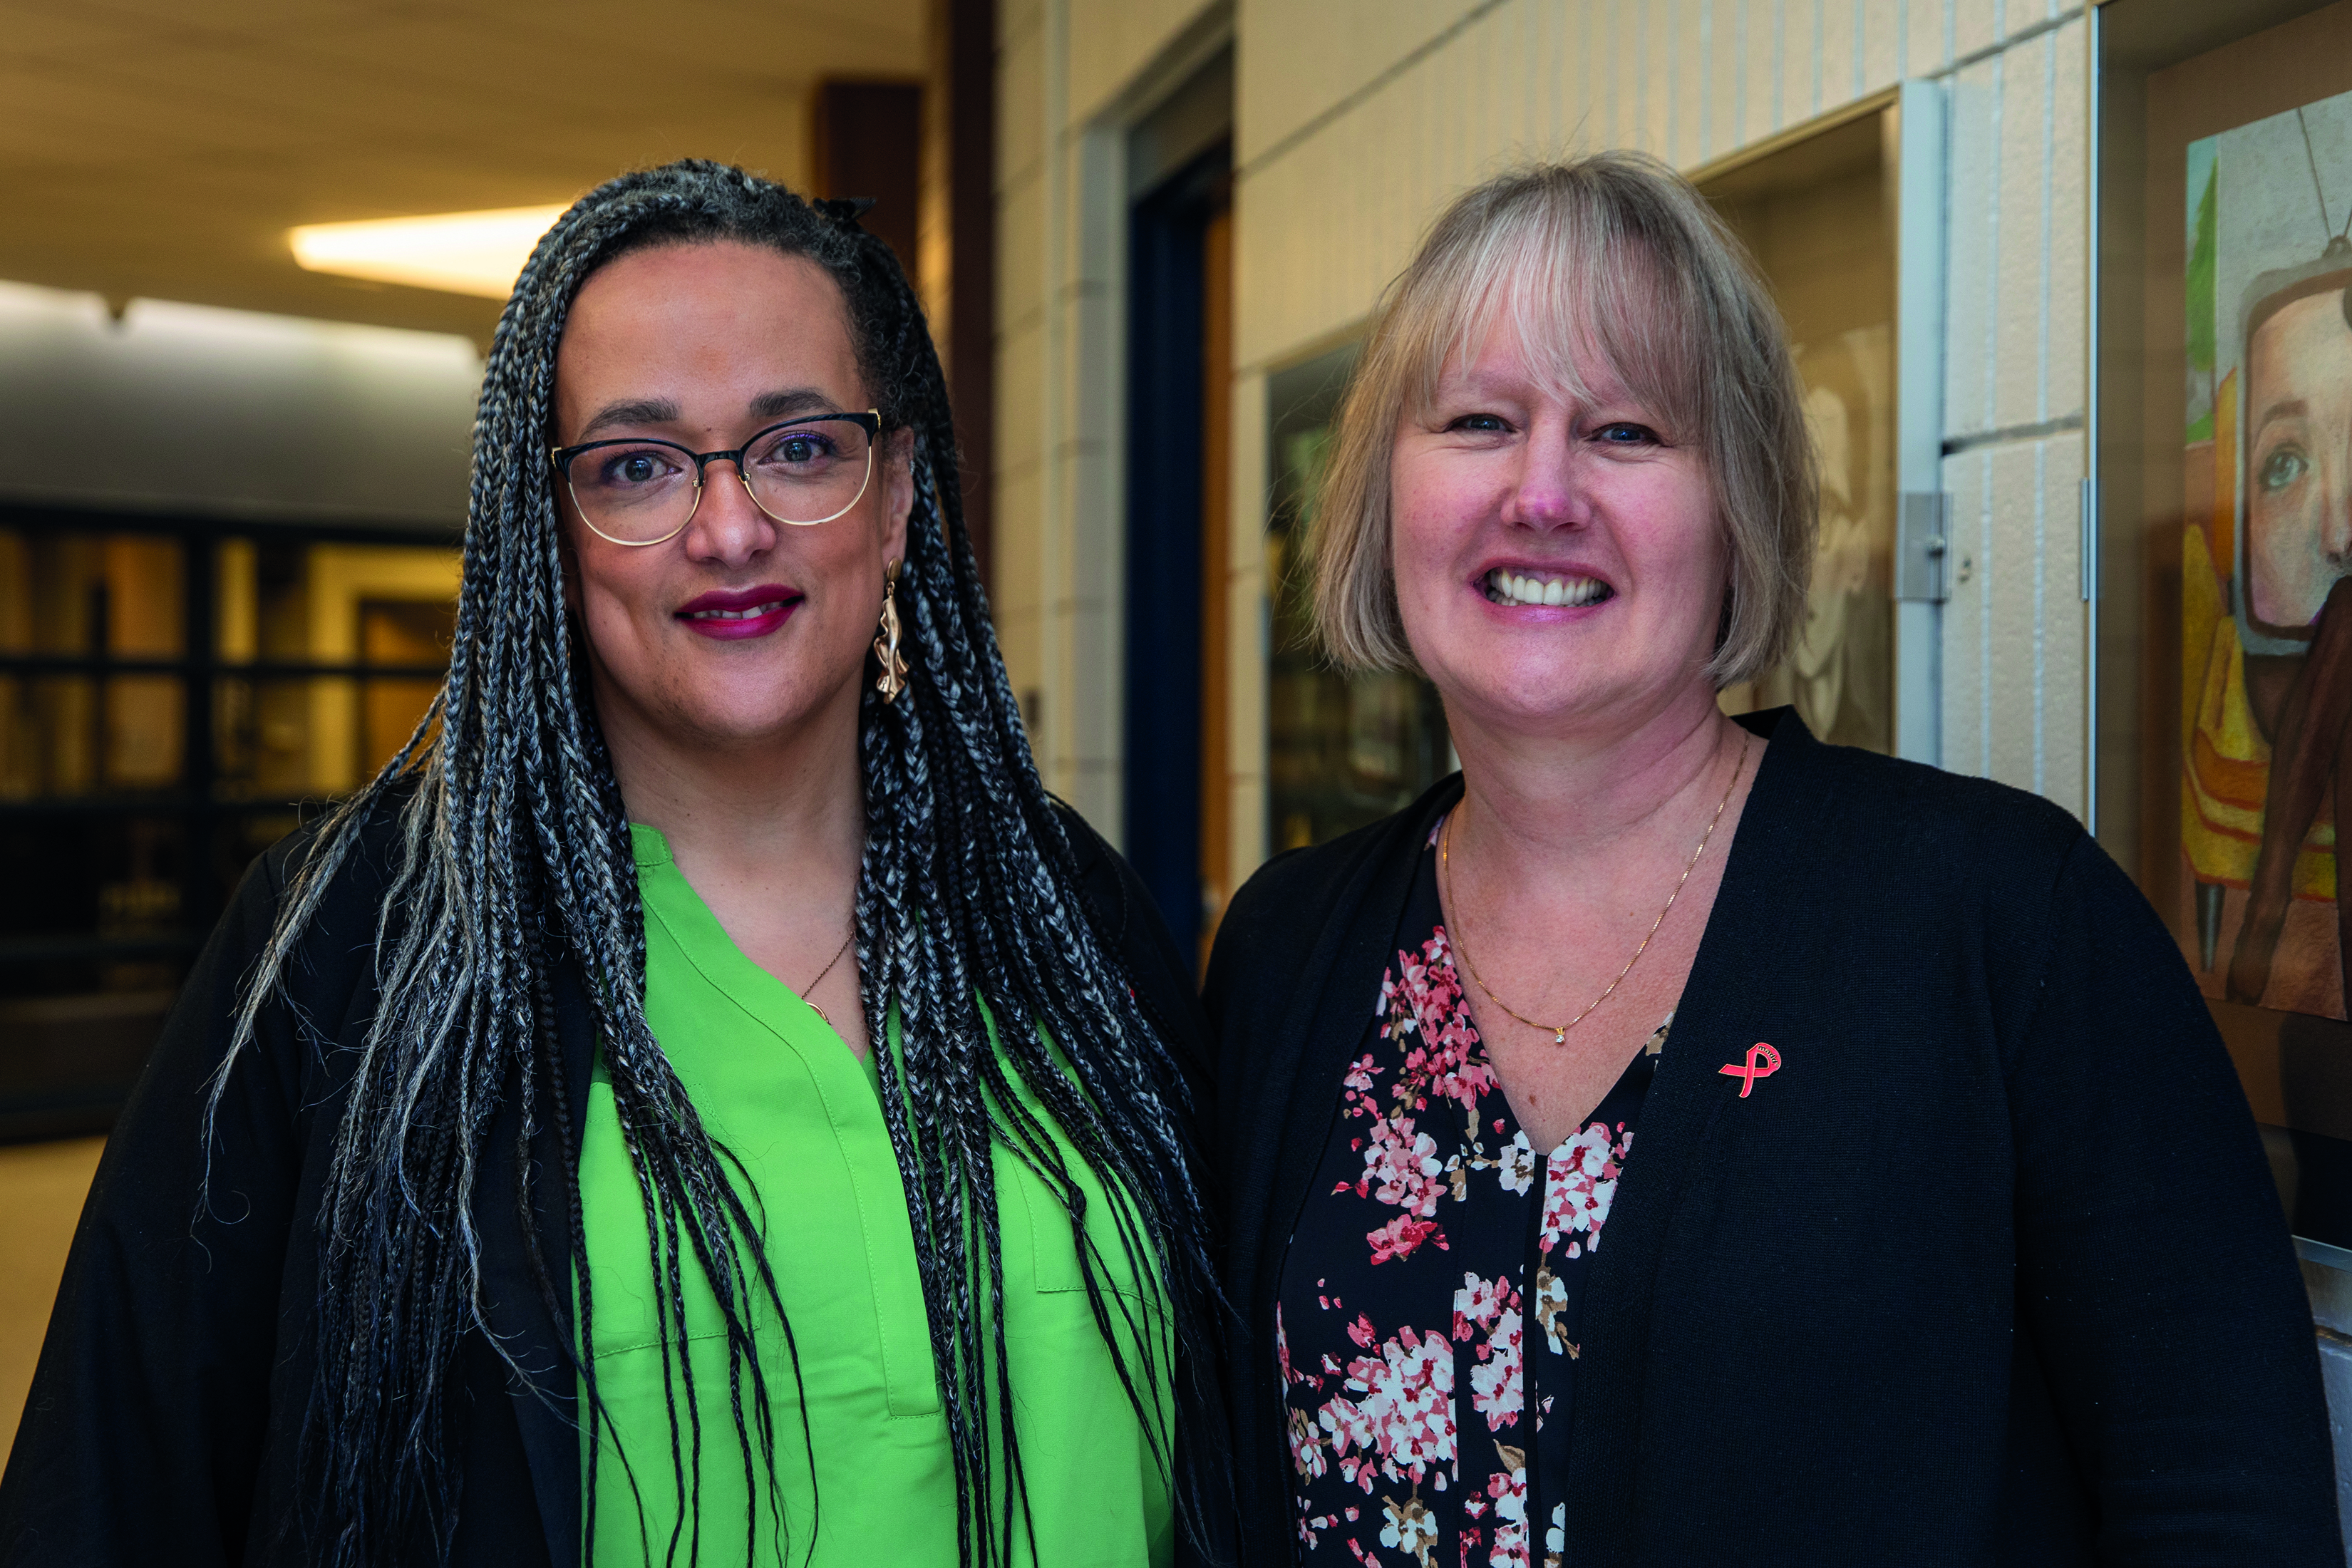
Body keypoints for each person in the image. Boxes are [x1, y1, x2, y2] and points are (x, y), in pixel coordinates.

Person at [0, 163, 1227, 1568]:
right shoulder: (360, 949)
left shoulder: (1057, 910)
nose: (727, 526)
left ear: (895, 500)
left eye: (801, 446)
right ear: (551, 535)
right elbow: (112, 1484)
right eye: (637, 465)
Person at [1203, 155, 2338, 1565]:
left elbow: (2223, 1495)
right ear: (1385, 494)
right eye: (1481, 420)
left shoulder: (2000, 918)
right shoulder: (1286, 951)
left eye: (1625, 431)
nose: (1542, 491)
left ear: (1738, 506)